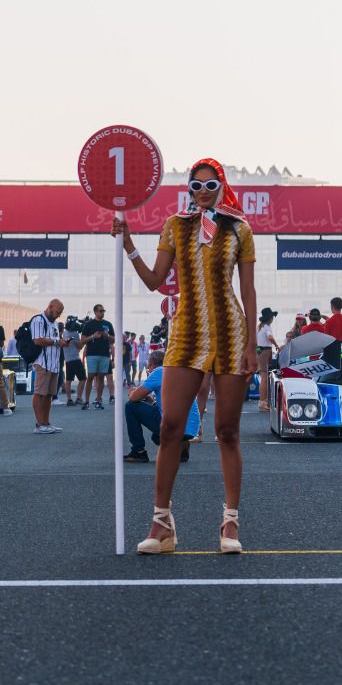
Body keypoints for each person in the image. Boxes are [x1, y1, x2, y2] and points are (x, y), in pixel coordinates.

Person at [114, 157, 257, 555]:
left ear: (221, 186)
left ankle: (230, 523)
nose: (203, 191)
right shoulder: (176, 226)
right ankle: (161, 525)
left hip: (231, 332)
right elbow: (156, 282)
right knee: (170, 427)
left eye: (210, 185)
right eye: (196, 186)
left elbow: (247, 292)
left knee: (227, 431)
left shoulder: (239, 228)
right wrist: (129, 246)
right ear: (188, 190)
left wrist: (251, 348)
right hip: (186, 333)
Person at [124, 350, 201, 463]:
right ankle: (181, 447)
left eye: (148, 367)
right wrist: (152, 401)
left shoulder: (159, 371)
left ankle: (138, 451)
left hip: (173, 426)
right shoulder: (178, 371)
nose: (148, 370)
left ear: (152, 364)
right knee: (156, 435)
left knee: (130, 406)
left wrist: (131, 392)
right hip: (191, 426)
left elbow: (134, 397)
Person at [30, 299, 65, 434]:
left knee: (49, 395)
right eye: (57, 312)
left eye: (60, 313)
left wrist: (62, 342)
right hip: (42, 363)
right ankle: (39, 425)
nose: (59, 315)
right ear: (50, 307)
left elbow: (55, 340)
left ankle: (46, 423)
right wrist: (57, 341)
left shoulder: (55, 323)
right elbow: (38, 340)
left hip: (54, 364)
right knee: (39, 393)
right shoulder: (38, 320)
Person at [79, 304, 115, 410]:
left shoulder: (108, 324)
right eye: (100, 311)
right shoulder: (89, 324)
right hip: (92, 354)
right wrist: (93, 336)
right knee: (90, 377)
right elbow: (82, 340)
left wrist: (107, 335)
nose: (102, 313)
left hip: (104, 355)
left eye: (103, 311)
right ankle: (86, 401)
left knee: (101, 377)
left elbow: (114, 340)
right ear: (95, 312)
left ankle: (98, 400)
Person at [256, 308, 280, 412]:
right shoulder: (267, 327)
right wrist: (276, 345)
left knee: (263, 376)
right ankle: (263, 402)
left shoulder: (259, 327)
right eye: (272, 317)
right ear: (269, 318)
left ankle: (263, 401)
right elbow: (270, 337)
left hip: (260, 351)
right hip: (265, 352)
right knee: (264, 377)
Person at [61, 321, 86, 405]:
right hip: (75, 359)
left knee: (68, 380)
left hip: (68, 360)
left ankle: (69, 399)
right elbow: (79, 346)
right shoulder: (74, 334)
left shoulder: (65, 333)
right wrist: (84, 341)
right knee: (83, 379)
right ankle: (79, 398)